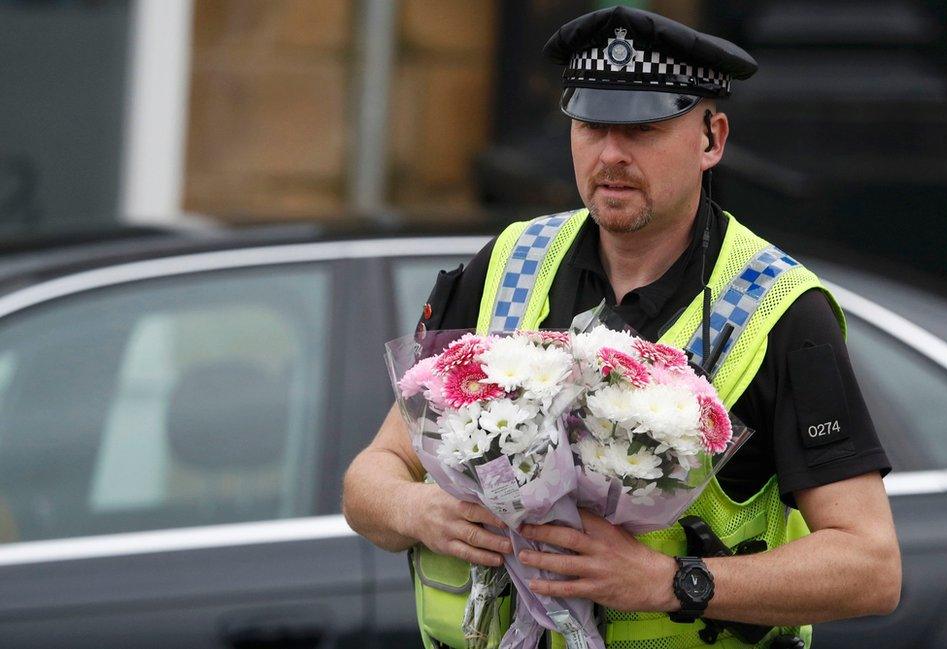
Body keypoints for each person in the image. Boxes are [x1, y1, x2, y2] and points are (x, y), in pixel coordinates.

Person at [343, 6, 901, 648]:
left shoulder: (781, 310)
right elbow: (372, 476)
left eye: (644, 129)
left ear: (711, 139)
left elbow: (871, 568)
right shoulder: (506, 265)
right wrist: (420, 511)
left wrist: (673, 581)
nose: (611, 154)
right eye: (591, 125)